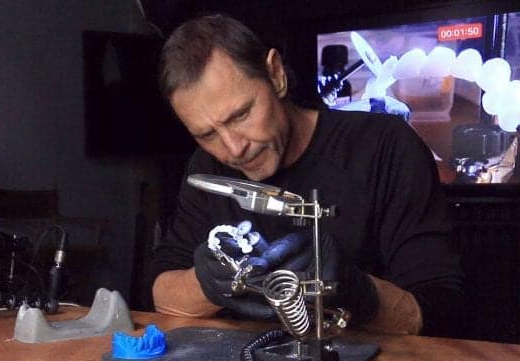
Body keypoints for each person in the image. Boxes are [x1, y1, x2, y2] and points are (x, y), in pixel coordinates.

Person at [149, 14, 465, 336]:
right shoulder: (207, 168)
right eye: (206, 134)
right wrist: (206, 283)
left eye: (241, 114)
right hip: (243, 357)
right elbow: (162, 292)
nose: (234, 149)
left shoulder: (385, 146)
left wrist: (359, 292)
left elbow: (440, 310)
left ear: (276, 75)